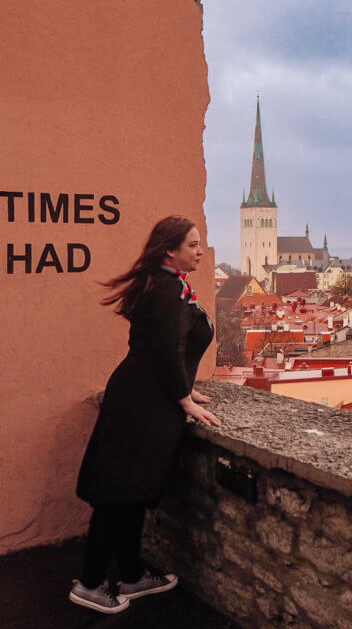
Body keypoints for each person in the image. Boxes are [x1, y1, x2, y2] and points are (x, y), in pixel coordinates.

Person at [69, 216, 221, 614]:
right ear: (170, 249)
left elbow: (166, 349)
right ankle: (89, 583)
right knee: (118, 493)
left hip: (144, 395)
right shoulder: (167, 289)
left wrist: (186, 388)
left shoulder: (165, 283)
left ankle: (133, 576)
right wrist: (183, 399)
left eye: (200, 244)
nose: (200, 250)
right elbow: (166, 350)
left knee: (131, 492)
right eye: (192, 244)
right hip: (144, 403)